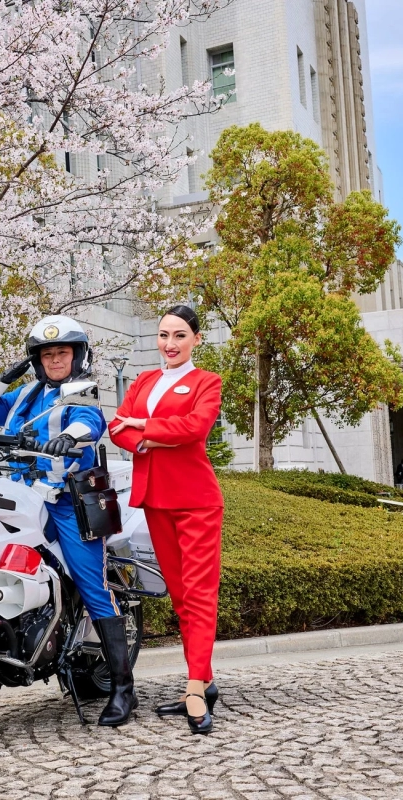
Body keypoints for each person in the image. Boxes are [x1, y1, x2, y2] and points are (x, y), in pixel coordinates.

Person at [0, 314, 135, 727]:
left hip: (64, 503)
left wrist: (70, 437)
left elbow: (90, 422)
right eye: (46, 354)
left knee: (91, 584)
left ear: (77, 356)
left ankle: (122, 690)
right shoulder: (24, 395)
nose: (55, 360)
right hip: (17, 498)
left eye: (62, 352)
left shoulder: (82, 393)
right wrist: (8, 375)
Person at [108, 305, 224, 736]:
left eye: (179, 336)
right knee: (179, 595)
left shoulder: (206, 382)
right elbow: (117, 426)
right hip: (155, 500)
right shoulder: (143, 381)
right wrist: (144, 437)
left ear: (196, 339)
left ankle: (195, 689)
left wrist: (146, 425)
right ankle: (205, 678)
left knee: (199, 592)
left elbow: (195, 428)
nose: (169, 344)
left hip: (196, 501)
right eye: (163, 335)